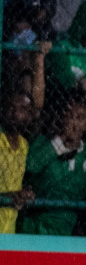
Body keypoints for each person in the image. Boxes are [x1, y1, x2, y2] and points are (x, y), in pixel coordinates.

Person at [19, 91, 86, 236]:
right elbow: (30, 167)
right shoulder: (43, 143)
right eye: (69, 116)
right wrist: (61, 140)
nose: (73, 122)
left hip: (70, 228)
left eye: (80, 118)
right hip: (36, 224)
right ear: (61, 118)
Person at [0, 84, 39, 233]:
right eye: (11, 107)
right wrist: (7, 197)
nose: (14, 112)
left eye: (22, 109)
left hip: (9, 228)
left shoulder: (24, 146)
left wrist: (24, 193)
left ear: (29, 116)